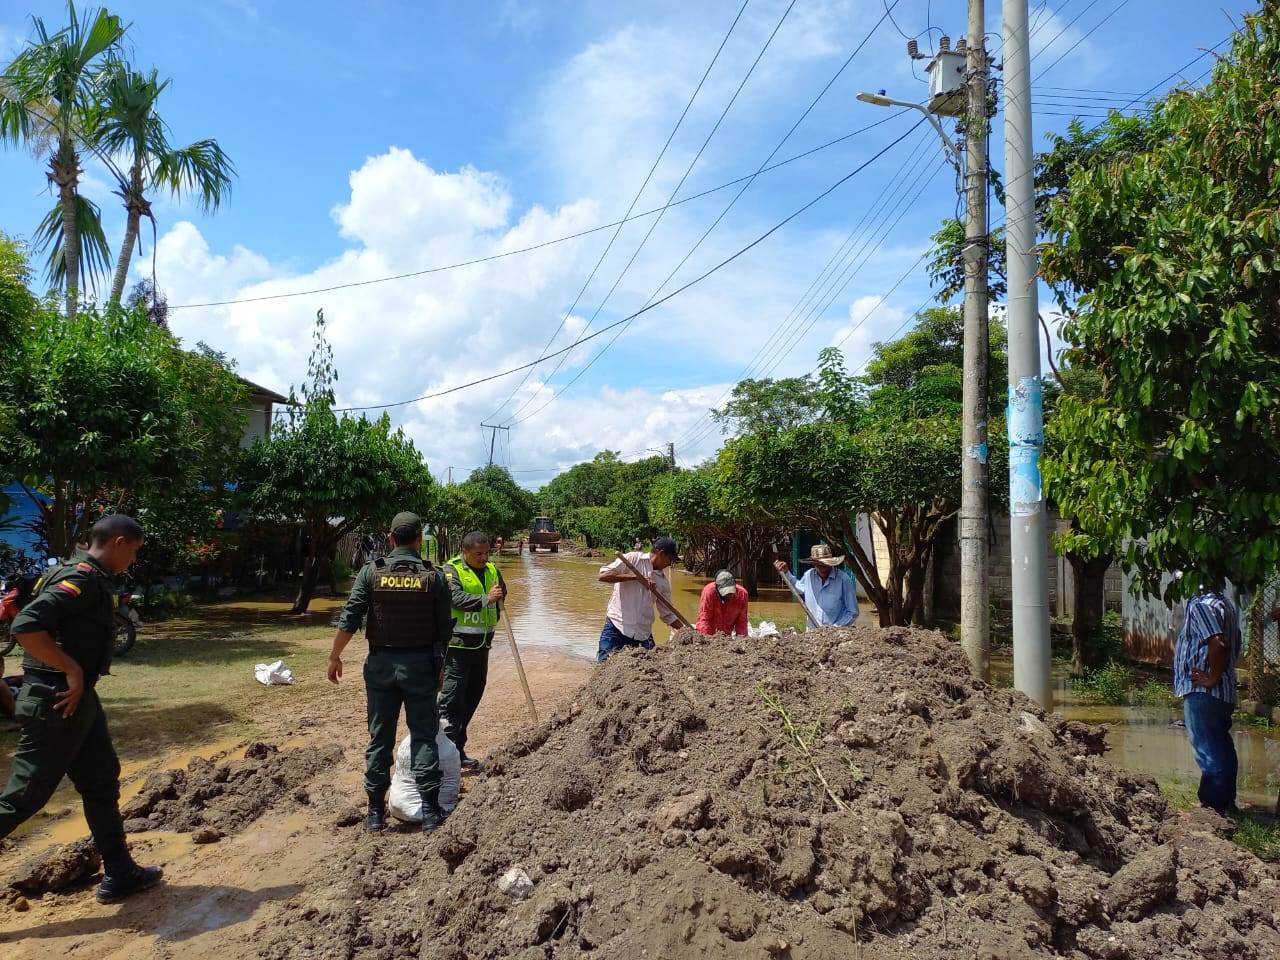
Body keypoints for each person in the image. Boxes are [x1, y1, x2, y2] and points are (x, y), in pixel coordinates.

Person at [0, 515, 163, 903]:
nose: (132, 562)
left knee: (102, 780)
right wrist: (70, 667)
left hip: (78, 700)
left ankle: (121, 872)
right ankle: (121, 871)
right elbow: (25, 625)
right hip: (57, 701)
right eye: (134, 553)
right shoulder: (83, 578)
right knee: (23, 798)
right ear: (120, 542)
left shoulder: (77, 572)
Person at [328, 511, 453, 833]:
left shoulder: (371, 573)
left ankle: (374, 812)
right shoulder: (435, 576)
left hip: (381, 666)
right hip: (420, 666)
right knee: (424, 735)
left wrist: (334, 657)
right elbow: (444, 631)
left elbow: (350, 618)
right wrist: (440, 667)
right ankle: (429, 811)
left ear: (390, 538)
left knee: (379, 737)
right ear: (418, 539)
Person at [1172, 576, 1242, 814]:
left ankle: (1212, 808)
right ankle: (1225, 803)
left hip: (1205, 692)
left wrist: (1211, 677)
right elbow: (1233, 642)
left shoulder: (1201, 605)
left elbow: (1218, 644)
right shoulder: (1226, 604)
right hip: (1223, 691)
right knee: (1221, 746)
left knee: (1208, 750)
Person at [439, 531, 507, 773]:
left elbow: (501, 596)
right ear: (465, 551)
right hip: (458, 646)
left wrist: (496, 603)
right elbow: (455, 598)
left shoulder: (492, 570)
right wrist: (485, 599)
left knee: (472, 698)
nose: (484, 557)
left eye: (487, 553)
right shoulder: (451, 570)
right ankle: (442, 758)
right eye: (478, 554)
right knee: (451, 702)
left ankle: (457, 750)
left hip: (482, 646)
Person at [596, 536, 683, 662]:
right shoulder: (633, 559)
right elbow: (603, 576)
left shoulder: (663, 583)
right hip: (617, 627)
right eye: (670, 559)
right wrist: (636, 577)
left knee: (650, 672)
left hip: (643, 634)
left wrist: (687, 632)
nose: (670, 564)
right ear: (661, 554)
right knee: (604, 667)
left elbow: (668, 614)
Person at [773, 544, 859, 627]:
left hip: (835, 633)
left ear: (830, 563)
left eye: (825, 565)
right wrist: (786, 572)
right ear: (814, 564)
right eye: (818, 565)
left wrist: (835, 627)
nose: (822, 569)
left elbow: (852, 612)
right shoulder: (809, 575)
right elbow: (798, 588)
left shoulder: (844, 580)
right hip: (812, 632)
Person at [695, 570, 749, 637]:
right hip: (710, 632)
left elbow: (741, 622)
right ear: (717, 588)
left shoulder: (742, 594)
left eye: (731, 593)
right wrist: (706, 640)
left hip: (726, 634)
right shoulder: (709, 592)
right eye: (726, 594)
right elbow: (705, 619)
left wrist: (742, 641)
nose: (729, 596)